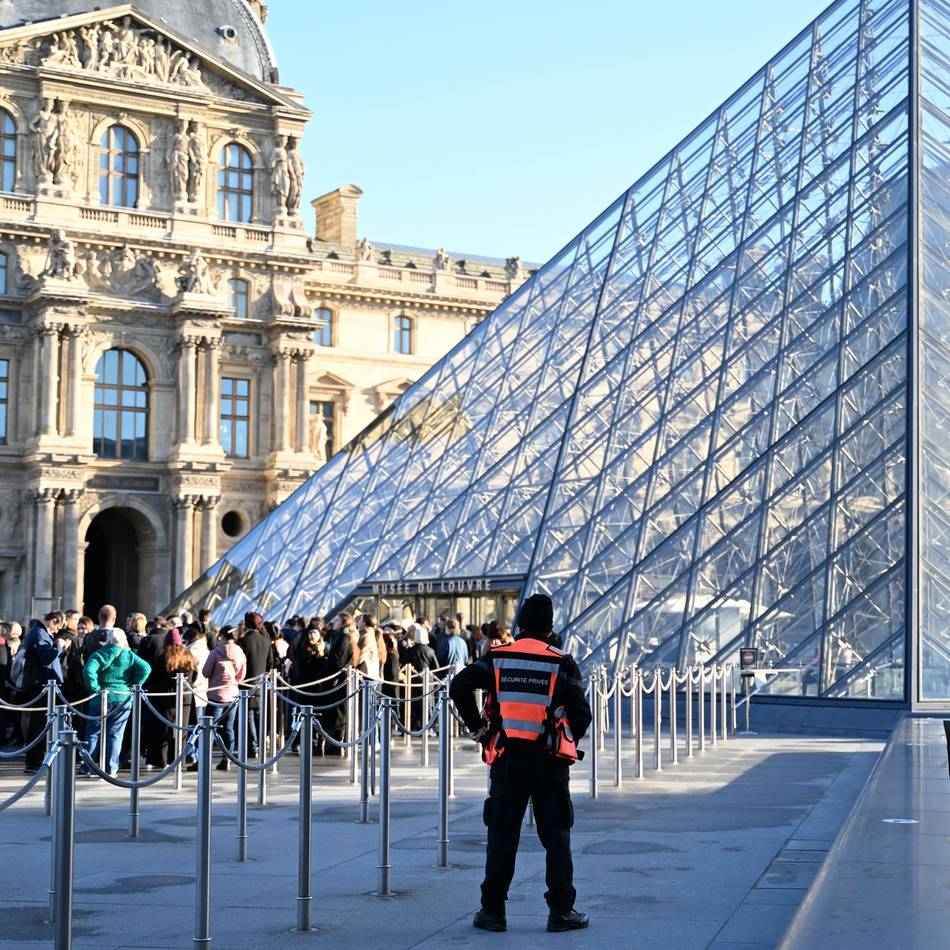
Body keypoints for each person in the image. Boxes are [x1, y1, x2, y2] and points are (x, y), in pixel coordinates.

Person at [449, 594, 591, 934]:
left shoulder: (499, 657)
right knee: (556, 837)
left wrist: (479, 729)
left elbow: (459, 685)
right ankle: (561, 911)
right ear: (550, 626)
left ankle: (493, 912)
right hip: (548, 762)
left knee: (502, 835)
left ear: (520, 624)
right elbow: (582, 715)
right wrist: (564, 736)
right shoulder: (562, 662)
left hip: (508, 761)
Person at [81, 629, 150, 777]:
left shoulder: (99, 654)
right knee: (115, 734)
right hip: (123, 697)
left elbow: (88, 671)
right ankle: (111, 768)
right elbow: (146, 668)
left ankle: (89, 767)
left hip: (100, 698)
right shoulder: (129, 655)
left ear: (109, 640)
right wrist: (135, 683)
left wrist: (94, 688)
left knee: (93, 732)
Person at [22, 612, 68, 772]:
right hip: (39, 685)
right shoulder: (39, 633)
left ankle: (35, 760)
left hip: (42, 684)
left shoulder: (39, 632)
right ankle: (34, 761)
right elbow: (46, 657)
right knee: (38, 724)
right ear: (53, 621)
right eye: (57, 627)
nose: (56, 631)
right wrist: (59, 645)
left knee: (40, 723)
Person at [201, 628, 246, 770]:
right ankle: (227, 758)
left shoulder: (215, 652)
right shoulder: (240, 652)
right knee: (228, 727)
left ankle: (204, 758)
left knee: (209, 727)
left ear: (222, 636)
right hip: (233, 694)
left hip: (216, 695)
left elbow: (205, 672)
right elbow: (241, 676)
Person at [238, 612, 273, 757]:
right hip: (261, 682)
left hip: (246, 682)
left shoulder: (244, 641)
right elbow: (270, 663)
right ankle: (261, 742)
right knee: (259, 714)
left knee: (248, 715)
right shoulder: (266, 640)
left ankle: (252, 746)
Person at [322, 613, 355, 752]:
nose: (333, 622)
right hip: (340, 680)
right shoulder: (344, 637)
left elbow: (337, 662)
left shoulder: (342, 639)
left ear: (343, 622)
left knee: (336, 713)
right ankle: (336, 743)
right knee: (338, 712)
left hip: (336, 681)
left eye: (336, 620)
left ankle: (335, 744)